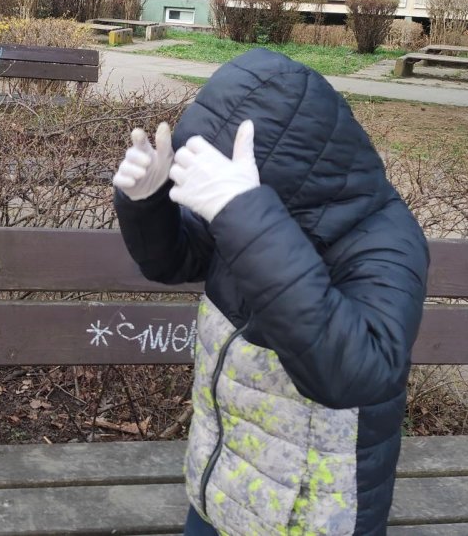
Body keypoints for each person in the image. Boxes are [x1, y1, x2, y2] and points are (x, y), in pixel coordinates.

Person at [111, 48, 429, 535]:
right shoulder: (255, 201)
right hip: (222, 482)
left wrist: (244, 213)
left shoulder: (385, 239)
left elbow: (356, 373)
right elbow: (174, 261)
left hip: (313, 512)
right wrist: (148, 202)